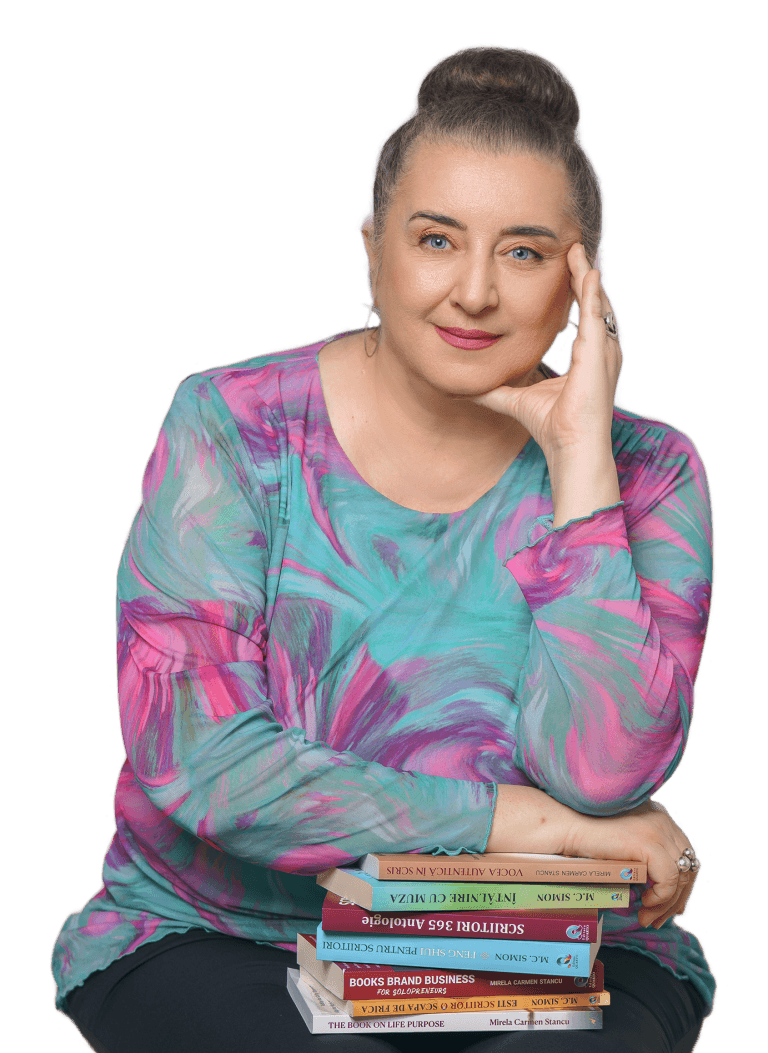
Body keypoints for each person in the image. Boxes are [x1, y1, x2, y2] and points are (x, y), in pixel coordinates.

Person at [51, 45, 714, 1052]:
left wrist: (581, 466)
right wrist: (532, 826)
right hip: (231, 932)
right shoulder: (233, 428)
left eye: (525, 253)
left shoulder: (650, 471)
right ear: (373, 249)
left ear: (584, 281)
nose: (475, 292)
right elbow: (204, 766)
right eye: (436, 239)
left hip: (551, 943)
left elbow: (602, 774)